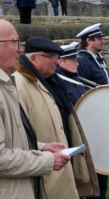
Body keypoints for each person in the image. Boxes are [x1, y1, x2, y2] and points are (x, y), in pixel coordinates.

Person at [12, 36, 99, 199]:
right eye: (51, 57)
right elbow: (19, 134)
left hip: (62, 158)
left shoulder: (53, 80)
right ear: (33, 58)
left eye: (57, 57)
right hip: (43, 167)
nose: (57, 62)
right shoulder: (19, 84)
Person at [0, 19, 73, 199]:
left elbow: (12, 138)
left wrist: (40, 147)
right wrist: (47, 160)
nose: (20, 49)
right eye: (15, 42)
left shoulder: (6, 84)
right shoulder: (14, 83)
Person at [76, 23, 109, 199]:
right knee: (94, 157)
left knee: (102, 155)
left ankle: (101, 193)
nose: (103, 41)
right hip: (93, 115)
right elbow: (82, 90)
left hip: (103, 112)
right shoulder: (83, 60)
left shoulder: (97, 57)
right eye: (99, 38)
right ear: (89, 40)